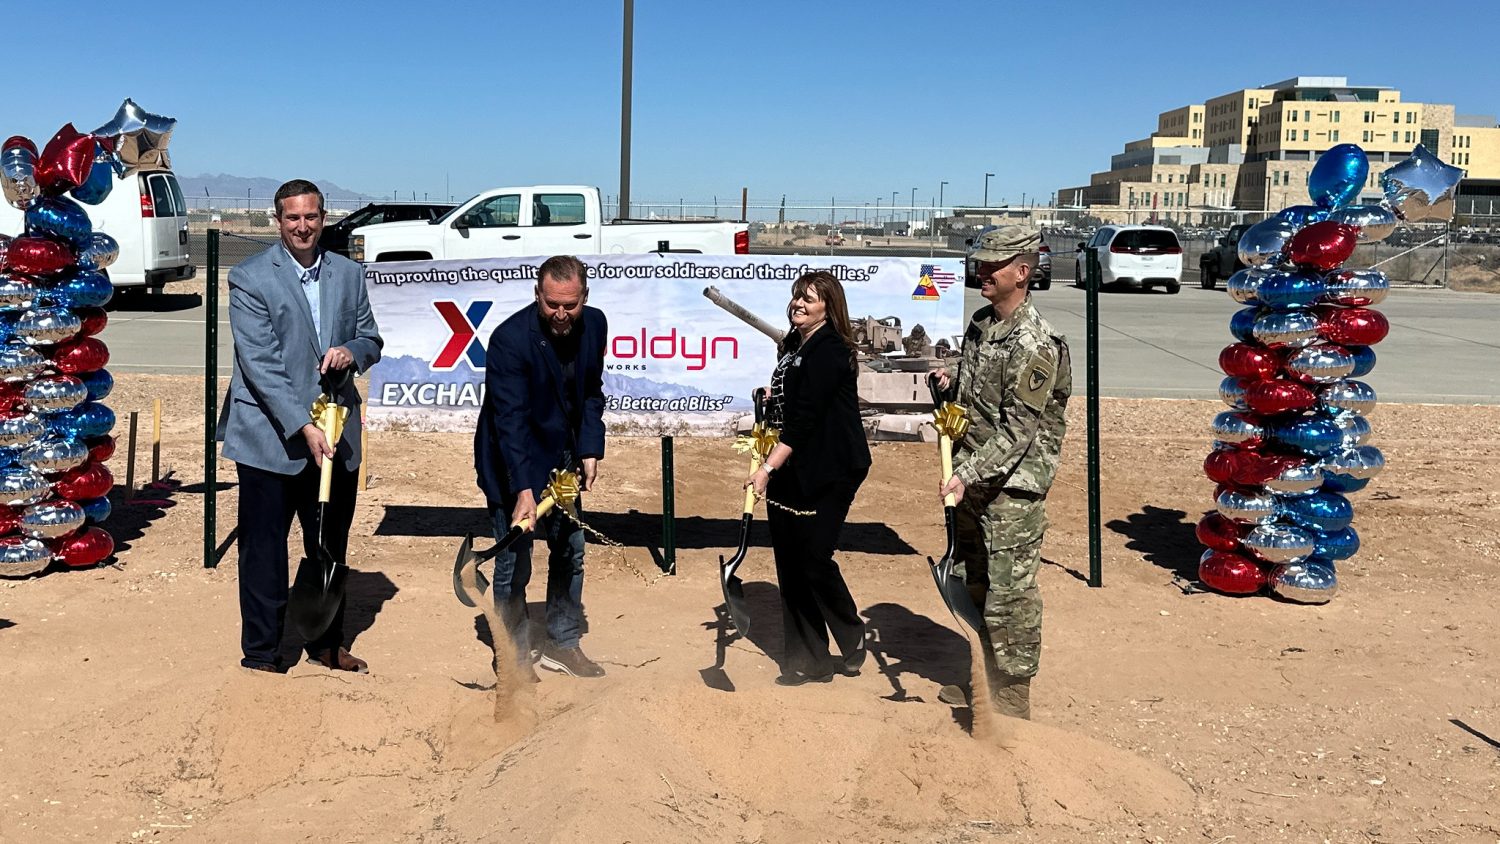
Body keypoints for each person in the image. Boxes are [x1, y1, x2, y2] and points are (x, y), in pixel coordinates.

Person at [221, 179, 383, 674]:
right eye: (292, 218)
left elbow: (370, 338)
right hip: (271, 437)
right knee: (265, 549)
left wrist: (350, 352)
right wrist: (301, 425)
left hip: (335, 435)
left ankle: (326, 642)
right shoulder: (249, 277)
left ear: (324, 218)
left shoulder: (349, 275)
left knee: (329, 545)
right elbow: (262, 365)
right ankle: (264, 654)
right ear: (278, 221)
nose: (302, 226)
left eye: (311, 216)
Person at [933, 224, 1071, 719]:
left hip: (1013, 488)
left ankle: (1011, 696)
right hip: (973, 478)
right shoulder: (981, 325)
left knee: (1010, 594)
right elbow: (978, 403)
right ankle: (984, 677)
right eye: (980, 262)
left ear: (1022, 271)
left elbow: (1018, 433)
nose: (981, 271)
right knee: (976, 580)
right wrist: (951, 387)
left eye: (993, 265)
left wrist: (965, 473)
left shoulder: (1035, 343)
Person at [474, 255, 607, 680]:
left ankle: (563, 642)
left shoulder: (595, 325)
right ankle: (510, 652)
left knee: (571, 550)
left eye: (570, 304)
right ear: (537, 295)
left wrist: (589, 448)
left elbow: (590, 393)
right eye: (552, 305)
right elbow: (509, 422)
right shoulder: (510, 340)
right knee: (515, 559)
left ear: (584, 296)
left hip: (563, 458)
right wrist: (524, 491)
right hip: (512, 459)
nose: (562, 314)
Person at [746, 271, 872, 686]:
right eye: (797, 296)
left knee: (813, 557)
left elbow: (805, 421)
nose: (799, 303)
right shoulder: (795, 344)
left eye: (810, 298)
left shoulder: (830, 350)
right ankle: (808, 658)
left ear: (828, 307)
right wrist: (771, 397)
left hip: (831, 467)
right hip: (794, 466)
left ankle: (852, 635)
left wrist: (766, 468)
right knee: (789, 561)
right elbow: (792, 401)